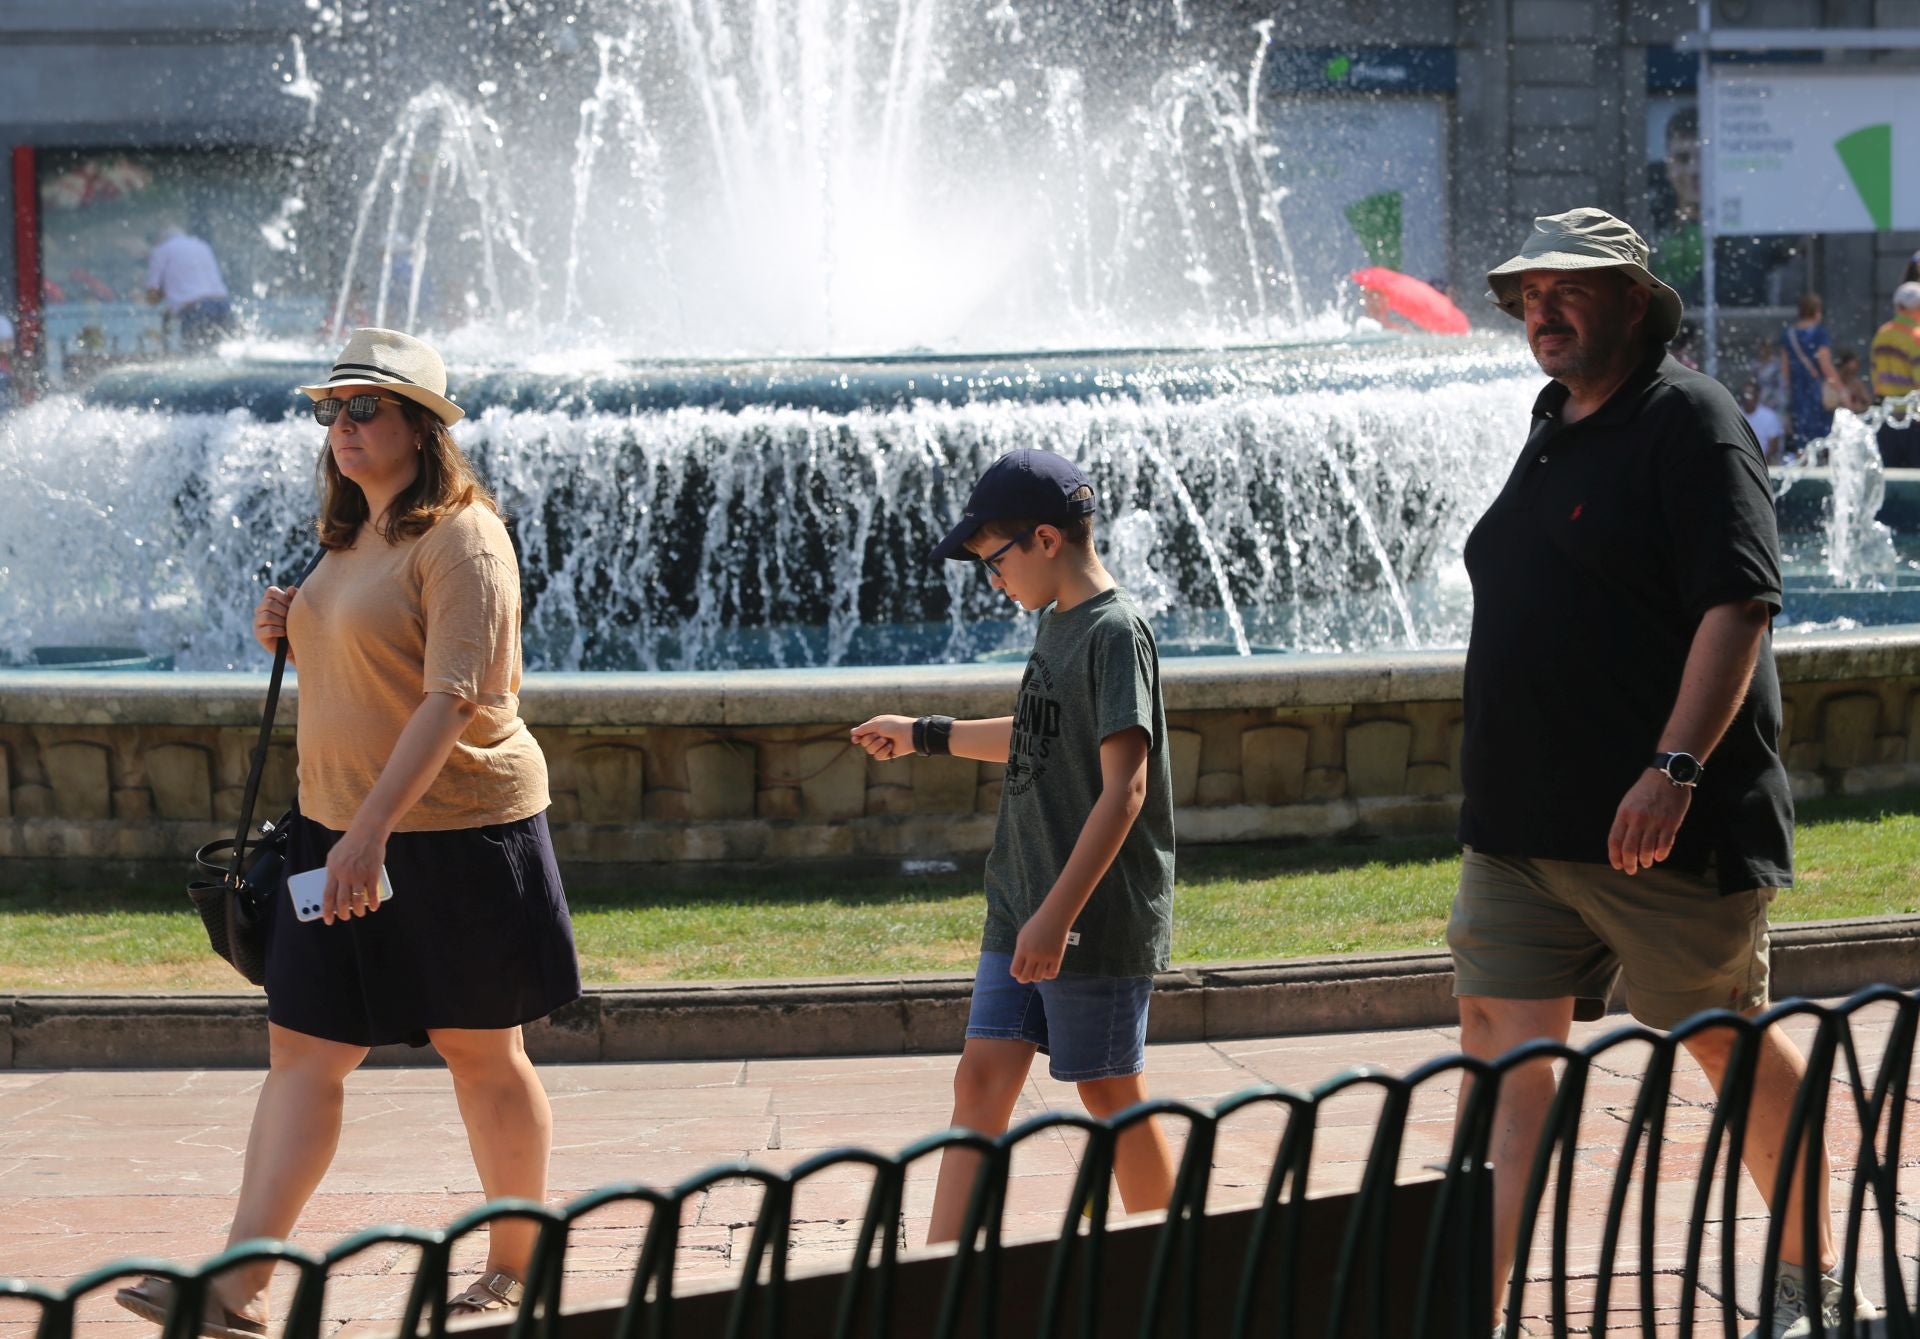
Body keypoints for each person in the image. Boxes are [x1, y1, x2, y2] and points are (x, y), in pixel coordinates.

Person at [1456, 207, 1875, 1339]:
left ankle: (1806, 1278)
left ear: (1635, 300)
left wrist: (1675, 766)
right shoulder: (1555, 420)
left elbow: (1737, 599)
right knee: (1500, 1051)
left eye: (1568, 290)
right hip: (1518, 832)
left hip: (1661, 830)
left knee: (1721, 1042)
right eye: (1528, 295)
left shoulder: (1691, 418)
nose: (1542, 311)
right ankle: (1465, 1303)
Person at [114, 328, 581, 1337]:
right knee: (305, 1050)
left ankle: (516, 1263)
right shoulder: (347, 533)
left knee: (480, 1050)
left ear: (422, 424)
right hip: (336, 830)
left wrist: (370, 834)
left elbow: (454, 697)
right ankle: (240, 1280)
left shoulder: (464, 535)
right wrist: (289, 625)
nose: (342, 427)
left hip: (455, 833)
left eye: (365, 408)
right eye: (331, 410)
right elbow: (361, 658)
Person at [850, 448, 1177, 1246]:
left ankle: (1185, 1267)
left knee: (1107, 1091)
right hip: (1023, 905)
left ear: (1045, 538)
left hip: (1085, 922)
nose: (993, 580)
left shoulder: (1112, 631)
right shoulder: (1058, 624)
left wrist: (1056, 917)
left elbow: (1125, 788)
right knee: (982, 1081)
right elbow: (1039, 735)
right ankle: (943, 1274)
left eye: (995, 562)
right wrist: (925, 733)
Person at [145, 224, 233, 351]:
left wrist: (147, 300)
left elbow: (153, 293)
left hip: (196, 310)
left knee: (196, 358)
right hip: (223, 305)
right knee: (226, 352)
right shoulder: (202, 245)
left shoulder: (161, 250)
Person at [1778, 293, 1840, 453]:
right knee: (1821, 435)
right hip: (1815, 391)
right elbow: (1825, 364)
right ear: (1817, 311)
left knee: (1801, 436)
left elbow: (1784, 370)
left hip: (1797, 392)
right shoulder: (1819, 333)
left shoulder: (1788, 334)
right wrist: (1841, 388)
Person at [1869, 282, 1920, 468]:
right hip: (1913, 421)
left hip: (1886, 417)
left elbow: (1875, 375)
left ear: (1899, 307)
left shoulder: (1882, 334)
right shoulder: (1916, 336)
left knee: (1889, 478)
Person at [1740, 380, 1784, 463]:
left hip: (1765, 464)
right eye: (1745, 394)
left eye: (1750, 394)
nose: (1747, 397)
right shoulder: (1737, 414)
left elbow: (1774, 445)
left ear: (1757, 396)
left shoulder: (1769, 416)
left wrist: (1761, 464)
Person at [1832, 349, 1872, 415]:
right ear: (1841, 367)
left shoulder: (1856, 384)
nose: (1850, 376)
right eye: (1848, 371)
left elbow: (1868, 403)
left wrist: (1858, 408)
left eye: (1854, 372)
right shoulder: (1831, 384)